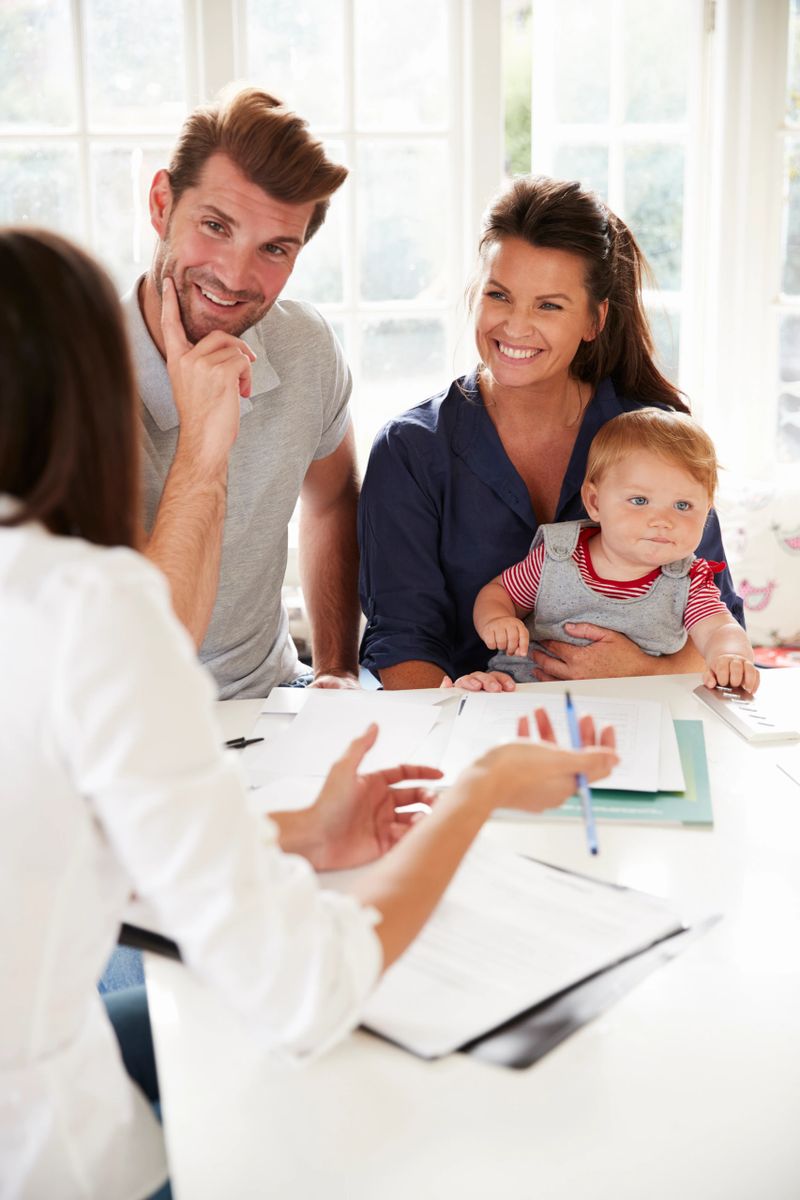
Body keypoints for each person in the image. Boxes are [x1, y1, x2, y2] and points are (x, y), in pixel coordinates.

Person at [0, 228, 616, 1200]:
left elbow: (51, 843)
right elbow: (303, 991)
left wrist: (287, 833)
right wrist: (482, 786)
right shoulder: (91, 603)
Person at [358, 176, 744, 690]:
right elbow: (403, 640)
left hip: (642, 724)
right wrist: (458, 722)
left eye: (549, 305)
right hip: (469, 721)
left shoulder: (656, 440)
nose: (516, 327)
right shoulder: (411, 449)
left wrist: (640, 671)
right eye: (500, 295)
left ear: (594, 319)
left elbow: (723, 631)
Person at [129, 86, 361, 700]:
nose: (235, 277)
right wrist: (205, 438)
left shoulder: (305, 346)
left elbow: (334, 498)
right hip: (129, 724)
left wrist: (337, 668)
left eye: (274, 249)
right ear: (161, 204)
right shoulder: (69, 377)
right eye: (215, 226)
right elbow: (151, 650)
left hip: (274, 701)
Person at [473, 409, 759, 694]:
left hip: (635, 708)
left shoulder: (689, 582)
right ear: (595, 502)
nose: (662, 520)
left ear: (707, 512)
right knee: (485, 692)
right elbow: (500, 593)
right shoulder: (559, 556)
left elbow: (720, 630)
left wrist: (731, 656)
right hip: (525, 693)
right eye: (639, 500)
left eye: (683, 505)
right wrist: (497, 620)